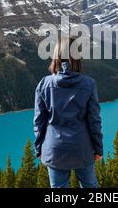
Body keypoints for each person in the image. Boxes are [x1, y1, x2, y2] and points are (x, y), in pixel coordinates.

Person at [33, 37, 103, 188]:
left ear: (56, 56)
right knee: (89, 186)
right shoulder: (89, 84)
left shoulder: (44, 84)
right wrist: (98, 148)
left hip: (54, 149)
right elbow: (94, 120)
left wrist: (39, 148)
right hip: (82, 148)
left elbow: (39, 122)